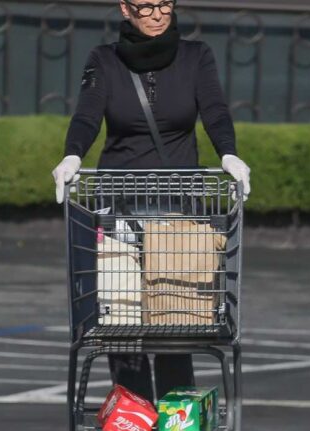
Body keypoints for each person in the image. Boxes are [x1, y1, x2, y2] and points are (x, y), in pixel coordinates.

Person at [52, 0, 250, 402]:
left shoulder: (196, 56)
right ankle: (135, 420)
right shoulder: (104, 60)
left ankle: (177, 419)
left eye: (165, 4)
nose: (158, 14)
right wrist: (72, 154)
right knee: (121, 329)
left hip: (177, 213)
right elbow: (88, 116)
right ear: (125, 9)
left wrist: (228, 153)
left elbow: (214, 110)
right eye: (146, 6)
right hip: (118, 210)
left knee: (174, 326)